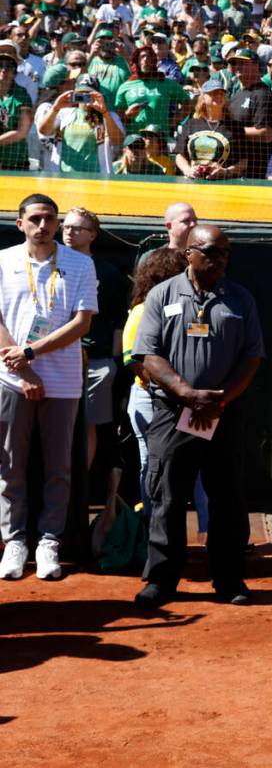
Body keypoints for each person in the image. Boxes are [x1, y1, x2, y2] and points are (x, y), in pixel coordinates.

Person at [131, 225, 264, 608]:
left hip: (225, 411)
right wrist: (187, 394)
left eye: (225, 252)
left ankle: (228, 579)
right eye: (210, 251)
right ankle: (161, 579)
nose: (220, 258)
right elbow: (149, 355)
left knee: (227, 498)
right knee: (169, 496)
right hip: (173, 411)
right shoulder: (162, 294)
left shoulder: (241, 299)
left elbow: (252, 357)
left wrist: (219, 401)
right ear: (189, 253)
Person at [0, 194, 97, 581]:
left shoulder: (81, 263)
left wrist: (30, 353)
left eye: (51, 219)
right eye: (36, 219)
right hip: (9, 377)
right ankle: (15, 542)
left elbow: (82, 323)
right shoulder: (3, 260)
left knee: (59, 466)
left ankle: (49, 541)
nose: (44, 226)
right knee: (10, 464)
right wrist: (21, 368)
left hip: (62, 379)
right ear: (20, 223)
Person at [122, 247, 209, 538]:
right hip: (152, 400)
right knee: (153, 465)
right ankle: (152, 533)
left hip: (192, 401)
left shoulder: (194, 305)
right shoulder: (142, 310)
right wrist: (171, 388)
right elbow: (134, 361)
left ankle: (208, 537)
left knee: (199, 469)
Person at [59, 207, 128, 470]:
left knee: (89, 425)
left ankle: (79, 486)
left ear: (92, 235)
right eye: (66, 226)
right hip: (52, 358)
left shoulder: (108, 273)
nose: (69, 232)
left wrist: (113, 362)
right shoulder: (49, 264)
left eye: (77, 228)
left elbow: (118, 322)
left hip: (95, 361)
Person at [174, 78, 247, 180]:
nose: (218, 96)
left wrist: (226, 171)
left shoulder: (235, 127)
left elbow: (243, 162)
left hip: (223, 184)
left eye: (221, 93)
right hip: (194, 182)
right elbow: (179, 155)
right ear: (203, 98)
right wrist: (188, 170)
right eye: (213, 93)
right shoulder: (191, 123)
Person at [227, 48, 272, 179]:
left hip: (256, 171)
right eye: (234, 63)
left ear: (256, 65)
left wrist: (230, 130)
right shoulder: (236, 96)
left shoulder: (264, 95)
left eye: (242, 63)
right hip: (234, 168)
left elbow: (266, 134)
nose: (237, 66)